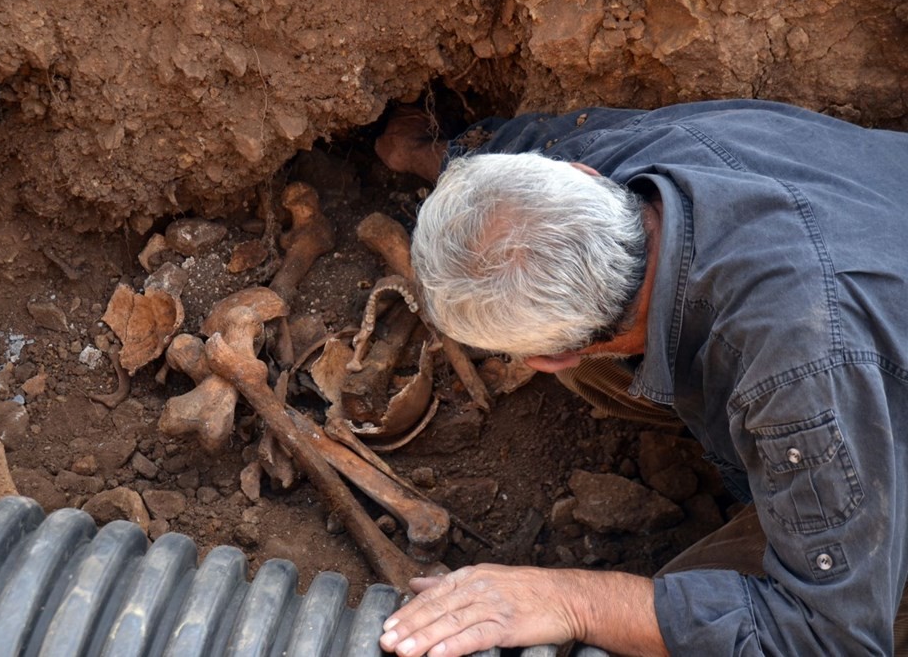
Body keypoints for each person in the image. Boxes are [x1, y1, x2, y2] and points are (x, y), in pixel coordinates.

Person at [373, 100, 908, 656]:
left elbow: (832, 640)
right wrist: (428, 153)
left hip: (854, 387)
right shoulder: (620, 155)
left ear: (548, 359)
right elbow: (515, 149)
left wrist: (573, 601)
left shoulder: (801, 375)